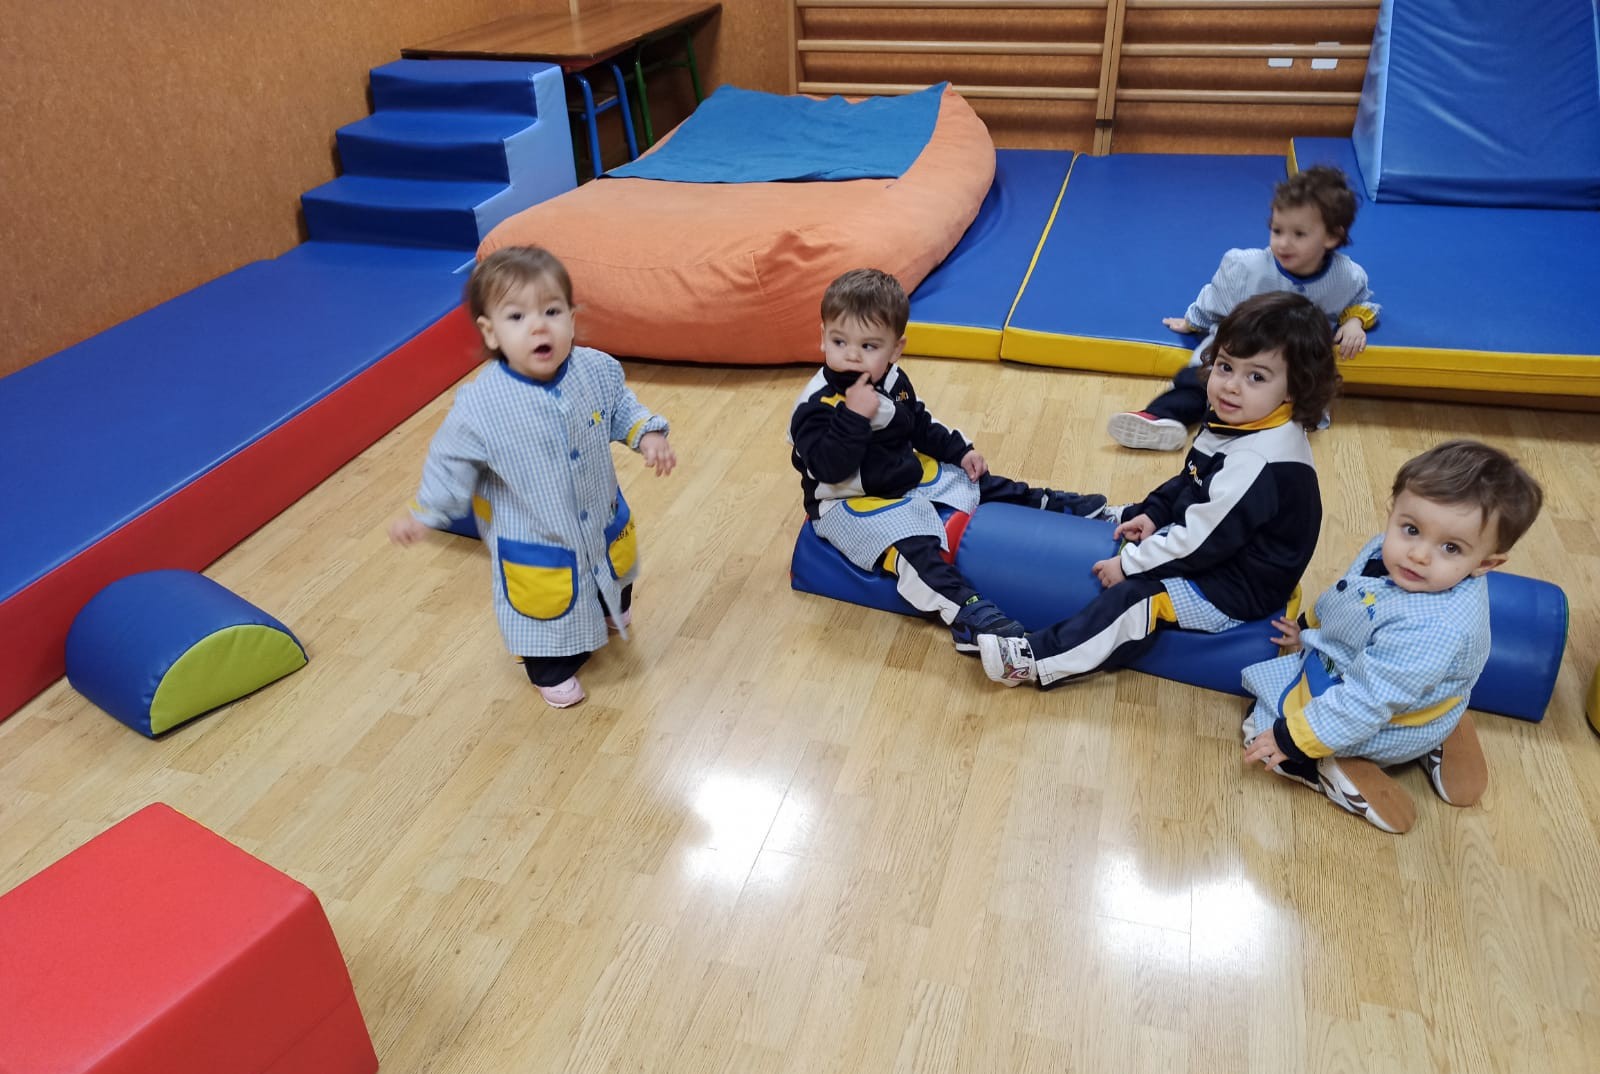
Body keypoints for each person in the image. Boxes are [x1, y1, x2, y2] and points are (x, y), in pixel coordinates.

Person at [976, 291, 1339, 688]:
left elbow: (1200, 544)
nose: (1230, 387)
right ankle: (1087, 509)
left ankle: (1037, 659)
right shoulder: (1242, 418)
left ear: (1292, 390)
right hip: (1225, 545)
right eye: (1225, 366)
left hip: (1233, 588)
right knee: (1137, 514)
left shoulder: (1260, 460)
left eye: (1256, 377)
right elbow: (1193, 478)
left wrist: (1130, 564)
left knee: (1137, 600)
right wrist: (1155, 512)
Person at [389, 246, 677, 710]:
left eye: (552, 311)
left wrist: (647, 434)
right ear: (491, 332)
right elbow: (450, 461)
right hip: (538, 536)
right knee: (545, 613)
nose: (539, 325)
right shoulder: (482, 407)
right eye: (518, 316)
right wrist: (428, 512)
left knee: (615, 568)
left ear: (572, 317)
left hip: (599, 512)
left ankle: (610, 605)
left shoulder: (595, 368)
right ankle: (551, 670)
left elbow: (622, 407)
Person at [790, 268, 1107, 651]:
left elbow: (919, 423)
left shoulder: (891, 378)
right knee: (913, 549)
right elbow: (828, 468)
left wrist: (961, 451)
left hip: (901, 474)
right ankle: (967, 614)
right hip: (848, 499)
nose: (853, 355)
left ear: (895, 349)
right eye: (840, 341)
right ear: (823, 337)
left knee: (978, 481)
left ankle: (1060, 506)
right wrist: (853, 417)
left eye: (869, 346)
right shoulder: (815, 406)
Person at [1240, 440, 1544, 834]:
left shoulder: (1431, 630)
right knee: (1402, 688)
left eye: (1450, 547)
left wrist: (1292, 739)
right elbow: (1348, 597)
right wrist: (1309, 627)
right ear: (1394, 511)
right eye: (1411, 528)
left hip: (1385, 718)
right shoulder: (1392, 555)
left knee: (1259, 728)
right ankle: (1446, 724)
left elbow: (1365, 702)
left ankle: (1332, 770)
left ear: (1485, 563)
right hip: (1409, 690)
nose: (1418, 554)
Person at [1108, 165, 1378, 452]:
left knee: (1300, 391)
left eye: (1299, 234)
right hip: (1241, 346)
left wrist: (1354, 322)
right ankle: (1161, 417)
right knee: (1201, 379)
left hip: (1290, 362)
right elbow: (1215, 297)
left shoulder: (1346, 277)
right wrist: (1192, 321)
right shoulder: (1248, 268)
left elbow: (1361, 300)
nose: (1283, 243)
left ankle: (1264, 428)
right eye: (1277, 230)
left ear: (1332, 237)